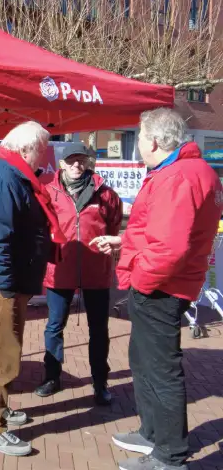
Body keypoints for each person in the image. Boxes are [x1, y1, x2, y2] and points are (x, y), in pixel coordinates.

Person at [91, 109, 223, 470]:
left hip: (161, 287)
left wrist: (141, 280)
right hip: (168, 282)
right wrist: (123, 242)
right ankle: (152, 434)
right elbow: (162, 233)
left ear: (154, 141)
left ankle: (169, 455)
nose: (138, 146)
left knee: (160, 369)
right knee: (144, 362)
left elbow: (170, 248)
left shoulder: (176, 176)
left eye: (139, 137)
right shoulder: (188, 171)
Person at [0, 121, 66, 457]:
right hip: (2, 280)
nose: (45, 157)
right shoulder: (2, 178)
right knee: (2, 355)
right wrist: (7, 286)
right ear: (26, 148)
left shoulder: (10, 173)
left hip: (9, 279)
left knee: (8, 349)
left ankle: (1, 409)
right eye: (42, 149)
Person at [36, 144, 122, 406]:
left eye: (81, 161)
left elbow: (115, 226)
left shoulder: (106, 194)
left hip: (96, 270)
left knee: (99, 329)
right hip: (59, 269)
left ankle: (100, 382)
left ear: (88, 163)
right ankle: (52, 377)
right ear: (61, 164)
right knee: (54, 325)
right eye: (71, 160)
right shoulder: (48, 190)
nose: (77, 165)